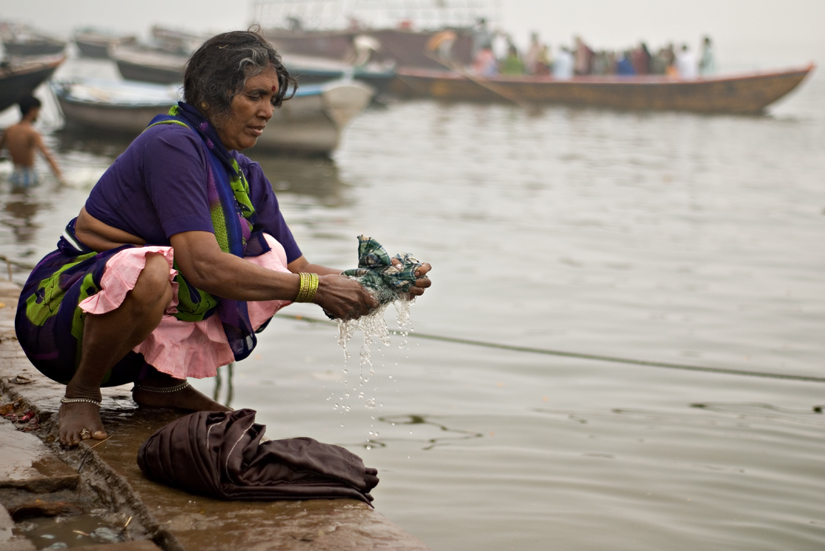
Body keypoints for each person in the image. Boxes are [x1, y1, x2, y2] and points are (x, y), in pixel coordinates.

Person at [14, 29, 432, 447]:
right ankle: (82, 391)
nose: (267, 111)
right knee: (153, 270)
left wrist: (377, 283)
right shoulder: (171, 142)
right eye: (255, 96)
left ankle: (161, 383)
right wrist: (315, 290)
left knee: (267, 264)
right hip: (60, 322)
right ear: (211, 95)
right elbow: (202, 266)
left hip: (128, 351)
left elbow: (298, 268)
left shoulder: (245, 174)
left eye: (272, 99)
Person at [0, 95, 64, 188]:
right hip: (28, 176)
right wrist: (61, 178)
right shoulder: (32, 133)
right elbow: (47, 156)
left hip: (14, 175)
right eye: (38, 111)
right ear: (32, 110)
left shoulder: (9, 130)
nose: (39, 115)